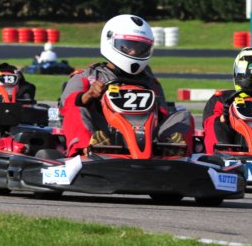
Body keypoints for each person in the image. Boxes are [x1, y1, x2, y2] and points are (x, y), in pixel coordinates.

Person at [59, 14, 193, 157]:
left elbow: (162, 114)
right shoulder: (87, 76)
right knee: (77, 109)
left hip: (148, 136)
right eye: (128, 46)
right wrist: (89, 95)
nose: (134, 51)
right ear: (110, 41)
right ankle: (87, 149)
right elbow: (67, 105)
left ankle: (172, 152)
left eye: (140, 47)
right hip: (103, 133)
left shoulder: (150, 81)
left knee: (183, 116)